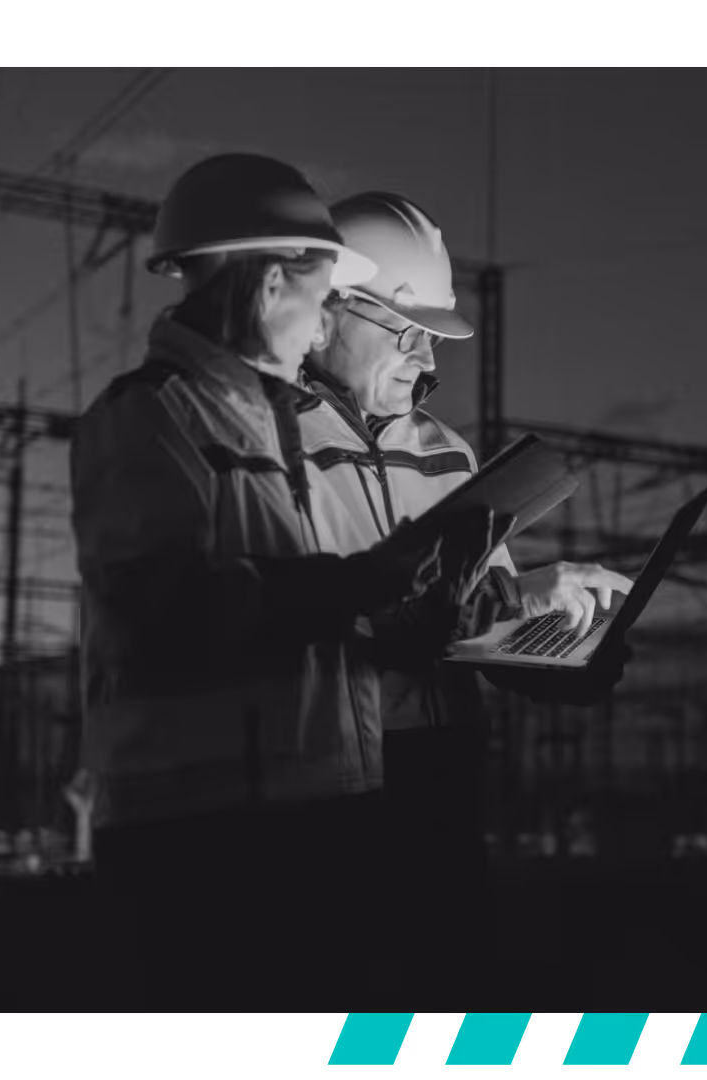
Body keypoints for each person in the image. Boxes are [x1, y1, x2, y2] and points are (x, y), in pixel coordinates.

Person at [70, 155, 492, 1012]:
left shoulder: (262, 426)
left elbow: (278, 611)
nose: (322, 316)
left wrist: (390, 625)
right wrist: (363, 586)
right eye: (322, 291)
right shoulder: (148, 416)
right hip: (194, 846)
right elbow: (168, 610)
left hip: (305, 819)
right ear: (272, 289)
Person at [299, 191, 634, 1008]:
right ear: (328, 309)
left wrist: (561, 637)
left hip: (442, 784)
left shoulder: (449, 454)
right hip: (331, 791)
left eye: (432, 336)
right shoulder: (269, 445)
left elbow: (479, 615)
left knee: (449, 989)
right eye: (401, 328)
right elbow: (302, 619)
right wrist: (495, 603)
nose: (423, 355)